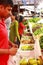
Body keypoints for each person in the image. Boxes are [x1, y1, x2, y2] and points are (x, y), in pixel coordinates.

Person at [0, 0, 18, 65]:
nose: (10, 13)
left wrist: (10, 43)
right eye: (9, 10)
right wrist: (9, 51)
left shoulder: (2, 21)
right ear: (1, 7)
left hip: (4, 61)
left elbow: (2, 37)